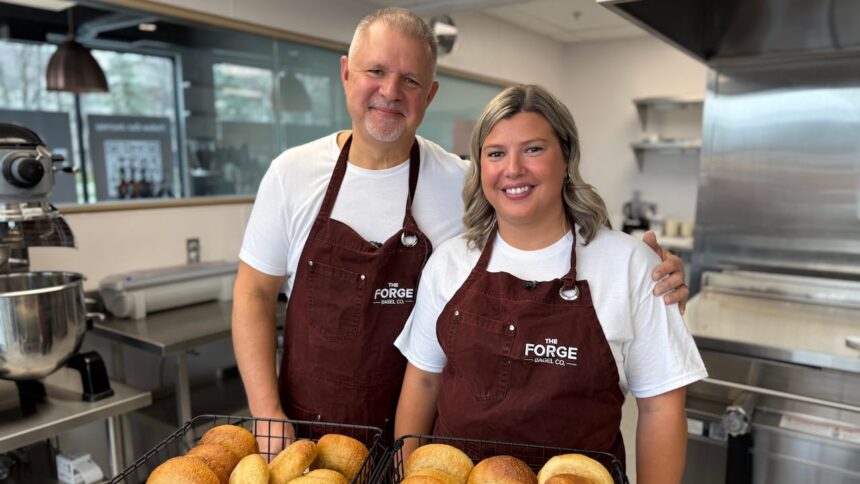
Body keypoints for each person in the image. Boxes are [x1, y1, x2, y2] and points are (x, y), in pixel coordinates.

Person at [232, 8, 689, 457]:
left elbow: (547, 228)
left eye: (410, 80)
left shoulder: (459, 181)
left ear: (429, 94)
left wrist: (648, 278)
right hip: (308, 436)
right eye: (376, 70)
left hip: (427, 441)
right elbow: (253, 293)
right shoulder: (292, 174)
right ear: (347, 73)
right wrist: (267, 415)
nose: (390, 91)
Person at [393, 85, 707, 484]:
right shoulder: (450, 262)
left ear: (566, 158)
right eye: (495, 153)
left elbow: (661, 407)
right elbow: (423, 379)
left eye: (533, 149)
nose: (513, 169)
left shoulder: (630, 266)